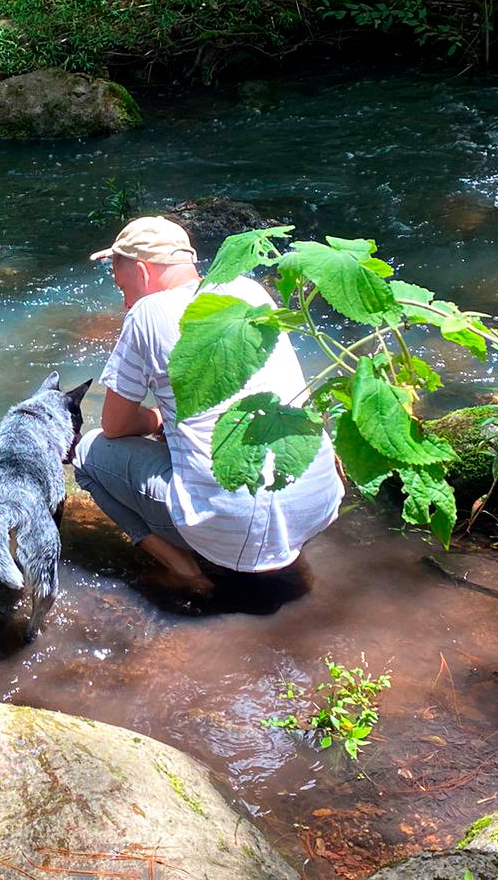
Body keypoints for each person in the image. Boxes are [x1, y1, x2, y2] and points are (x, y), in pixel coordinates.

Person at [73, 216, 343, 596]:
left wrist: (158, 420)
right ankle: (277, 552)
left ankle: (184, 569)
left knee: (89, 454)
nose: (125, 301)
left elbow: (115, 426)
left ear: (143, 271)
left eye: (123, 287)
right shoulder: (249, 291)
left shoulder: (147, 313)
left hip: (233, 525)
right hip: (316, 504)